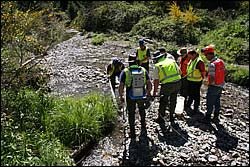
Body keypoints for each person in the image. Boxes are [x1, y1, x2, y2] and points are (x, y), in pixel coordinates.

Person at [118, 54, 152, 139]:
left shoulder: (125, 71)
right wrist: (148, 93)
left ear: (129, 63)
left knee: (131, 113)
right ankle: (143, 125)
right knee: (141, 109)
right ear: (137, 62)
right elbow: (149, 83)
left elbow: (121, 85)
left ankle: (132, 132)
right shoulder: (143, 70)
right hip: (141, 94)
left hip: (130, 96)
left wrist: (121, 96)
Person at [152, 51, 182, 124]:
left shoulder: (158, 65)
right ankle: (172, 117)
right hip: (178, 83)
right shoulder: (172, 61)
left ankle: (161, 118)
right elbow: (180, 72)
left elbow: (156, 81)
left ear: (157, 59)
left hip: (167, 85)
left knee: (163, 101)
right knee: (173, 100)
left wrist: (154, 92)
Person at [201, 45, 226, 123]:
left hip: (214, 86)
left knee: (210, 102)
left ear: (209, 54)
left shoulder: (212, 65)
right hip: (221, 85)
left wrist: (208, 84)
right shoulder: (221, 61)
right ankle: (216, 116)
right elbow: (225, 72)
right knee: (217, 101)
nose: (205, 57)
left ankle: (207, 117)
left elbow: (211, 77)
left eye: (206, 55)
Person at [186, 49, 206, 115]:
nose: (189, 58)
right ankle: (188, 105)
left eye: (190, 56)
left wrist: (203, 79)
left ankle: (195, 108)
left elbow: (203, 72)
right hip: (190, 80)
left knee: (196, 95)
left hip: (196, 81)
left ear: (194, 54)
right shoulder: (193, 60)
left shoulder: (199, 61)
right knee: (190, 93)